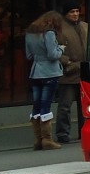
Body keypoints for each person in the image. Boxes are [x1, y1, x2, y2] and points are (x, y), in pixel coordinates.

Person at [25, 10, 65, 151]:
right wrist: (61, 49)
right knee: (46, 105)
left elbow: (29, 55)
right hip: (49, 72)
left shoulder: (30, 33)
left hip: (35, 72)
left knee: (36, 105)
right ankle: (47, 140)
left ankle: (38, 139)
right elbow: (53, 54)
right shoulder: (49, 33)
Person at [55, 1, 88, 144]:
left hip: (85, 73)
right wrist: (66, 61)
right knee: (65, 106)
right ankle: (62, 134)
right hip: (68, 74)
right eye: (71, 12)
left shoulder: (86, 26)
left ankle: (85, 131)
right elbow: (53, 50)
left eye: (76, 11)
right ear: (66, 14)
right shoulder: (59, 29)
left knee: (85, 107)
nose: (75, 14)